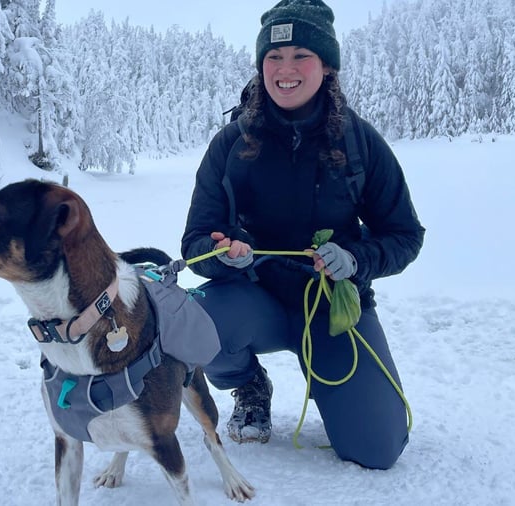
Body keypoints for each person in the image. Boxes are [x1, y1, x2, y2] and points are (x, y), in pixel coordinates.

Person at [181, 0, 425, 470]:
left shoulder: (359, 141)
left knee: (377, 449)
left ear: (327, 66)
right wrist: (221, 255)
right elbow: (193, 242)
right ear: (260, 65)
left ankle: (330, 376)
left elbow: (404, 235)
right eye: (274, 57)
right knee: (198, 324)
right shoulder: (231, 145)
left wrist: (356, 259)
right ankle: (250, 383)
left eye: (300, 56)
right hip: (256, 302)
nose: (285, 69)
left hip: (331, 306)